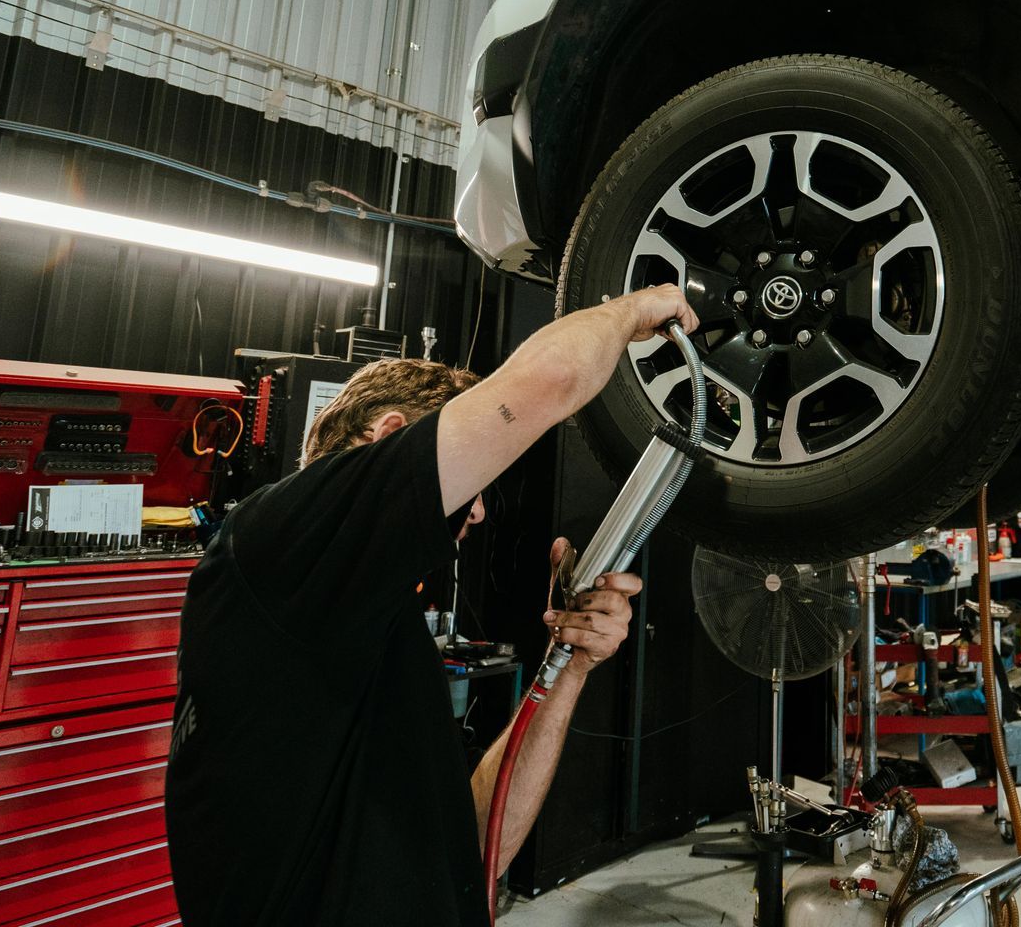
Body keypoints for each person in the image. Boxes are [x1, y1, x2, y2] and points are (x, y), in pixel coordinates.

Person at [164, 285, 699, 926]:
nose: (476, 512)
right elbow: (551, 380)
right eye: (474, 489)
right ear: (391, 435)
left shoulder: (366, 627)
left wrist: (570, 665)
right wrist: (629, 310)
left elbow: (478, 847)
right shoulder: (278, 533)